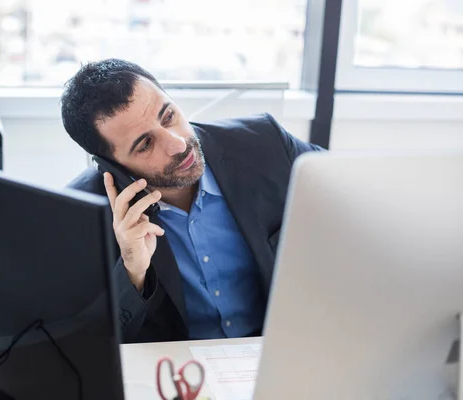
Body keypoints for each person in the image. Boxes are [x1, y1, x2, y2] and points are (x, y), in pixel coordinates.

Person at [61, 58, 322, 343]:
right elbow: (86, 346)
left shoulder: (265, 142)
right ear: (112, 165)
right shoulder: (81, 214)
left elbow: (352, 193)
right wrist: (132, 271)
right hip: (176, 376)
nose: (178, 144)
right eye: (145, 144)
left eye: (169, 116)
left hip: (277, 351)